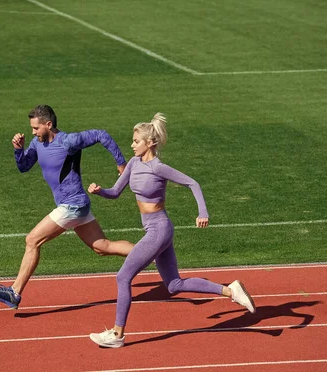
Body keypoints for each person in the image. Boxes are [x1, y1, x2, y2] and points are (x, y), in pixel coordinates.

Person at [87, 113, 256, 348]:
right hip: (156, 229)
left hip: (159, 230)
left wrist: (203, 212)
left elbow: (192, 183)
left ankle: (117, 335)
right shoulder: (134, 163)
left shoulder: (159, 167)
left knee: (123, 276)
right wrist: (99, 191)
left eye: (136, 141)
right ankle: (230, 291)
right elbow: (115, 192)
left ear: (150, 143)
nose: (132, 145)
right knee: (174, 284)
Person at [0, 105, 134, 309]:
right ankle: (150, 252)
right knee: (103, 247)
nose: (33, 132)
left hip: (72, 205)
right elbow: (23, 167)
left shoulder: (68, 141)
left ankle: (14, 292)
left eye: (36, 128)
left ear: (49, 124)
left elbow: (101, 134)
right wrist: (18, 150)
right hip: (76, 206)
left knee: (32, 241)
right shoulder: (36, 143)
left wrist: (121, 164)